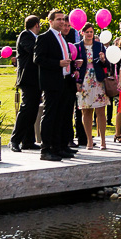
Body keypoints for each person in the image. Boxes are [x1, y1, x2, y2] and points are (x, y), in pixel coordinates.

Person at [35, 9, 79, 160]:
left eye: (63, 19)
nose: (61, 22)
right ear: (50, 22)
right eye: (58, 19)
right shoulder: (44, 38)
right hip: (51, 82)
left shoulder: (63, 38)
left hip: (64, 81)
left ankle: (58, 146)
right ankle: (46, 149)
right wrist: (58, 63)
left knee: (62, 116)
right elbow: (38, 59)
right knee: (50, 116)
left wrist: (73, 66)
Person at [12, 15, 43, 153]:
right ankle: (15, 139)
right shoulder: (25, 36)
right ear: (36, 25)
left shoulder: (35, 37)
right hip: (27, 79)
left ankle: (28, 141)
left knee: (33, 110)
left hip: (36, 79)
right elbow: (33, 51)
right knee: (26, 109)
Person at [77, 27, 111, 149]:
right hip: (84, 80)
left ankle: (103, 140)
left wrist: (103, 60)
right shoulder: (78, 46)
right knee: (86, 110)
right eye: (87, 32)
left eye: (91, 32)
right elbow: (74, 65)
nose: (90, 34)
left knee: (101, 110)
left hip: (98, 80)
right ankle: (89, 141)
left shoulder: (100, 46)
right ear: (82, 33)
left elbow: (107, 64)